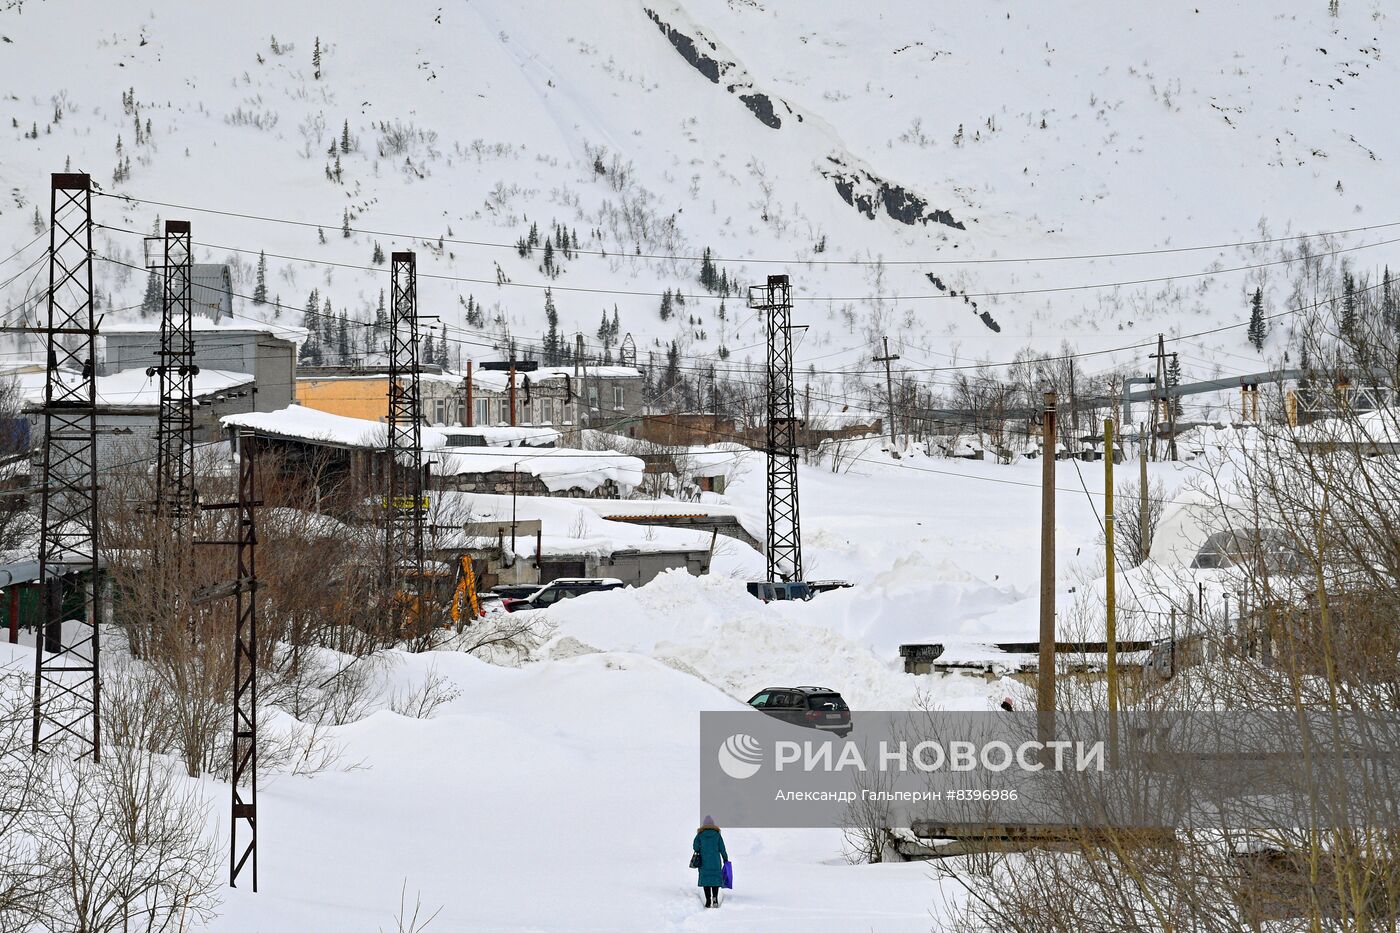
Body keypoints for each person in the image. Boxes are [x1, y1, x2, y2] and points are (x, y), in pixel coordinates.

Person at [693, 815, 729, 908]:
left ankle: (708, 900)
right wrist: (725, 858)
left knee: (706, 880)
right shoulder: (717, 835)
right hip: (715, 861)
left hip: (704, 861)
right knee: (715, 880)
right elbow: (722, 848)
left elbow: (695, 847)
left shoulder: (700, 835)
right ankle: (715, 899)